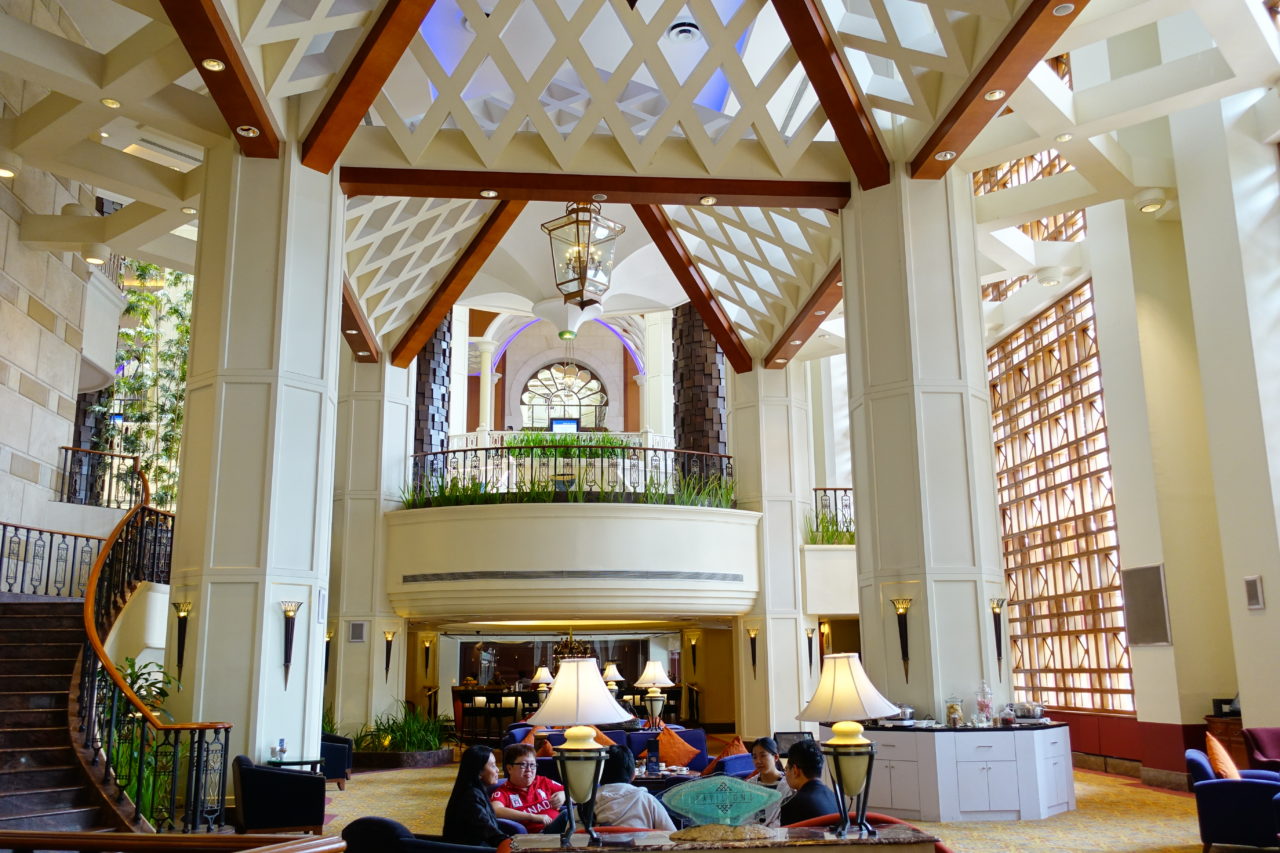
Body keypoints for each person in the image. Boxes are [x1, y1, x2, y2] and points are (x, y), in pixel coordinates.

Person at [593, 744, 677, 830]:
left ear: (597, 775)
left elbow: (579, 837)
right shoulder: (648, 801)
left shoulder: (586, 804)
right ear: (633, 775)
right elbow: (671, 836)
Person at [490, 744, 569, 834]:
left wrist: (563, 795)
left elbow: (571, 793)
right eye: (523, 765)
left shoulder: (543, 781)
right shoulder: (503, 792)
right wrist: (532, 817)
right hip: (540, 835)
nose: (529, 769)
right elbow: (495, 810)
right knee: (567, 815)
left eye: (532, 765)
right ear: (509, 768)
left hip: (563, 829)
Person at [442, 745, 510, 848]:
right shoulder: (471, 797)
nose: (497, 770)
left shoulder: (474, 790)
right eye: (492, 766)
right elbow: (489, 832)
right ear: (478, 772)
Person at [778, 740, 839, 826]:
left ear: (795, 770)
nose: (786, 774)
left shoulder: (793, 805)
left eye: (786, 769)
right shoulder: (834, 797)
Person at [748, 737, 792, 827]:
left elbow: (784, 820)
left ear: (775, 757)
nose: (758, 761)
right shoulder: (749, 785)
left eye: (763, 755)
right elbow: (745, 817)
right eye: (755, 757)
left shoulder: (788, 785)